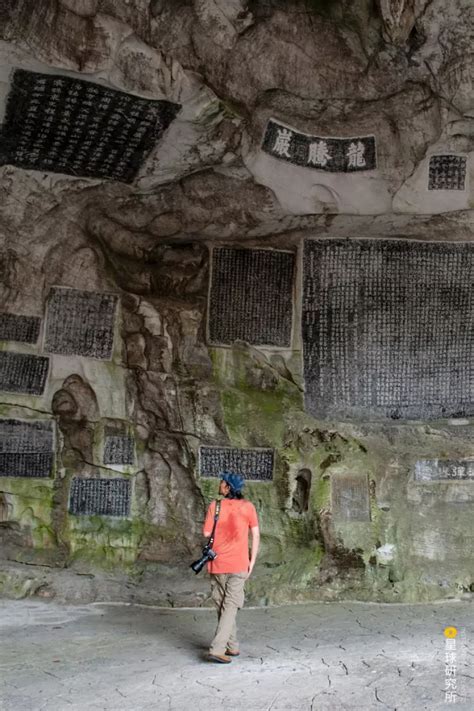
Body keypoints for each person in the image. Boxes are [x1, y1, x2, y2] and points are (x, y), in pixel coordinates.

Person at [203, 472, 260, 664]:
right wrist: (252, 561)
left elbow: (205, 533)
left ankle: (218, 648)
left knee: (225, 605)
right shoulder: (248, 507)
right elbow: (256, 534)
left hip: (218, 563)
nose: (219, 485)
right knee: (228, 605)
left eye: (222, 483)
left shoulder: (215, 506)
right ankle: (231, 645)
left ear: (228, 488)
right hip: (239, 563)